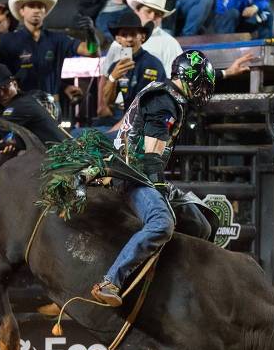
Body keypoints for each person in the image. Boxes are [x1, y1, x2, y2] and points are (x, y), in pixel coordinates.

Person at [88, 50, 217, 306]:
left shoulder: (168, 95)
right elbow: (150, 156)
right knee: (161, 223)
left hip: (144, 172)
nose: (203, 92)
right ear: (188, 78)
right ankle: (111, 281)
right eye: (201, 84)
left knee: (201, 225)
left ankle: (178, 280)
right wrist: (159, 187)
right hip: (131, 175)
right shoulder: (164, 101)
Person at [0, 0, 99, 102]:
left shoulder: (58, 39)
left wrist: (91, 33)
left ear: (45, 11)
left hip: (51, 106)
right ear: (22, 11)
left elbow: (92, 52)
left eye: (40, 6)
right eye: (31, 6)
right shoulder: (8, 40)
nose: (36, 10)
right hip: (22, 105)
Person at [104, 0, 182, 77]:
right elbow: (105, 75)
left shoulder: (170, 43)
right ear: (137, 11)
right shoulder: (120, 40)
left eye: (157, 14)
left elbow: (176, 78)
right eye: (148, 11)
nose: (152, 17)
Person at [103, 12, 166, 115]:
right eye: (124, 35)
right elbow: (107, 103)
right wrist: (113, 78)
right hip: (125, 118)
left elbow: (154, 104)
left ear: (143, 37)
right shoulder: (116, 67)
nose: (129, 39)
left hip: (149, 120)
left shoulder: (153, 64)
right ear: (118, 39)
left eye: (133, 34)